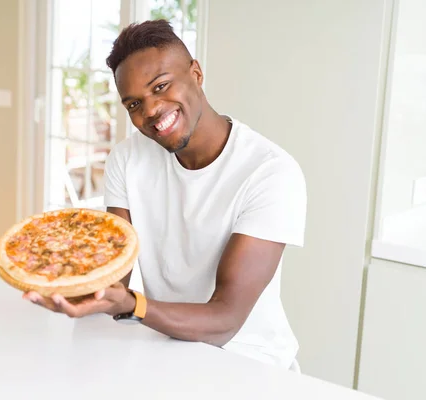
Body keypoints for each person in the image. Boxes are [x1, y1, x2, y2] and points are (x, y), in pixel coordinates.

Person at [24, 19, 307, 370]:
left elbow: (225, 321)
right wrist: (68, 283)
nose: (150, 111)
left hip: (251, 363)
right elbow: (113, 280)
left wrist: (132, 305)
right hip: (169, 348)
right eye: (133, 105)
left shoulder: (269, 172)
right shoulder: (127, 160)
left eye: (161, 86)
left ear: (197, 74)